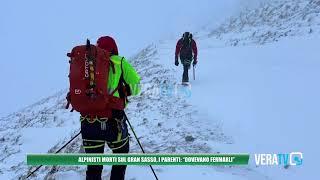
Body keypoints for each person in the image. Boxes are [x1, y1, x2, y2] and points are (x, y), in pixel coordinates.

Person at [80, 36, 140, 180]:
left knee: (93, 166)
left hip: (89, 122)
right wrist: (122, 91)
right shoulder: (119, 62)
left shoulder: (87, 63)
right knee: (121, 155)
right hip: (113, 121)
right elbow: (136, 87)